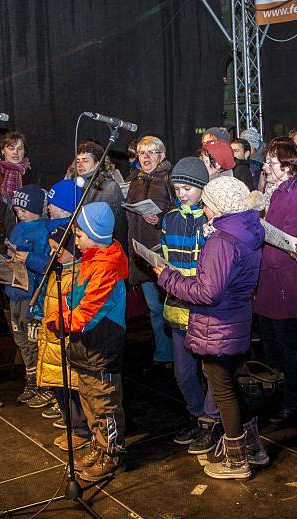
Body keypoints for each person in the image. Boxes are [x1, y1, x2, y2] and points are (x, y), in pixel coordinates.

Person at [156, 177, 268, 480]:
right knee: (230, 384)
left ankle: (236, 461)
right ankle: (254, 447)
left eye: (206, 203)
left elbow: (208, 292)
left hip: (217, 326)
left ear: (219, 205)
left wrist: (167, 278)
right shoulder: (246, 230)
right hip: (233, 320)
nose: (203, 209)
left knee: (223, 392)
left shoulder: (222, 240)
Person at [45, 202, 129, 482]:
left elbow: (86, 313)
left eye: (79, 235)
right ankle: (98, 444)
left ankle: (113, 454)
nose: (76, 241)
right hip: (85, 348)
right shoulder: (90, 259)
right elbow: (72, 295)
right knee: (89, 400)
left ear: (95, 235)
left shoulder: (106, 267)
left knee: (104, 403)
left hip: (101, 346)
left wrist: (58, 321)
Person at [159, 157, 221, 455]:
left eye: (187, 188)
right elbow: (167, 257)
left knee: (211, 372)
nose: (182, 193)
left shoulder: (211, 220)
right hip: (176, 306)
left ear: (202, 189)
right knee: (183, 372)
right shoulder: (169, 219)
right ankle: (197, 414)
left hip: (203, 308)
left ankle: (211, 421)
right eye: (177, 188)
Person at [253, 138, 297, 424]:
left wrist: (258, 254)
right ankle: (281, 392)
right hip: (270, 278)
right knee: (273, 341)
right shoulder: (278, 190)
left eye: (270, 162)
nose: (265, 166)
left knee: (288, 343)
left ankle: (295, 400)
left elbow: (291, 244)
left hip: (284, 280)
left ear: (287, 165)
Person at [31, 224, 92, 453]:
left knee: (74, 393)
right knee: (61, 390)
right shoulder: (57, 272)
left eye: (57, 249)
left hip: (66, 344)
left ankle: (81, 431)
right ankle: (73, 429)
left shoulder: (76, 276)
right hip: (53, 342)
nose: (51, 254)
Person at [125, 135, 174, 366]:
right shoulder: (135, 179)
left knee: (170, 307)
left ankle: (180, 353)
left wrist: (159, 219)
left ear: (161, 155)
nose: (145, 157)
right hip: (140, 253)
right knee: (154, 308)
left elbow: (178, 211)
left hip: (162, 252)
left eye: (151, 152)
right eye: (142, 153)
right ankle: (164, 352)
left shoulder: (169, 178)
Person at [5, 184, 51, 403]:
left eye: (24, 210)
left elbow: (48, 264)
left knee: (34, 339)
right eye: (16, 210)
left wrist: (27, 258)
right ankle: (30, 377)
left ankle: (43, 382)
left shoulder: (44, 229)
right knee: (20, 338)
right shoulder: (17, 228)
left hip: (32, 293)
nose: (19, 214)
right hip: (15, 291)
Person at [0, 131, 42, 254]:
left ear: (25, 151)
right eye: (11, 148)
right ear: (2, 151)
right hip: (1, 245)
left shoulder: (34, 177)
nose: (15, 153)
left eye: (20, 148)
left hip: (29, 244)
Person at [70, 141, 127, 251]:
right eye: (77, 161)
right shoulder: (78, 186)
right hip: (85, 247)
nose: (80, 165)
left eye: (85, 161)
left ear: (97, 163)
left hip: (105, 250)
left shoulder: (110, 188)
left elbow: (118, 227)